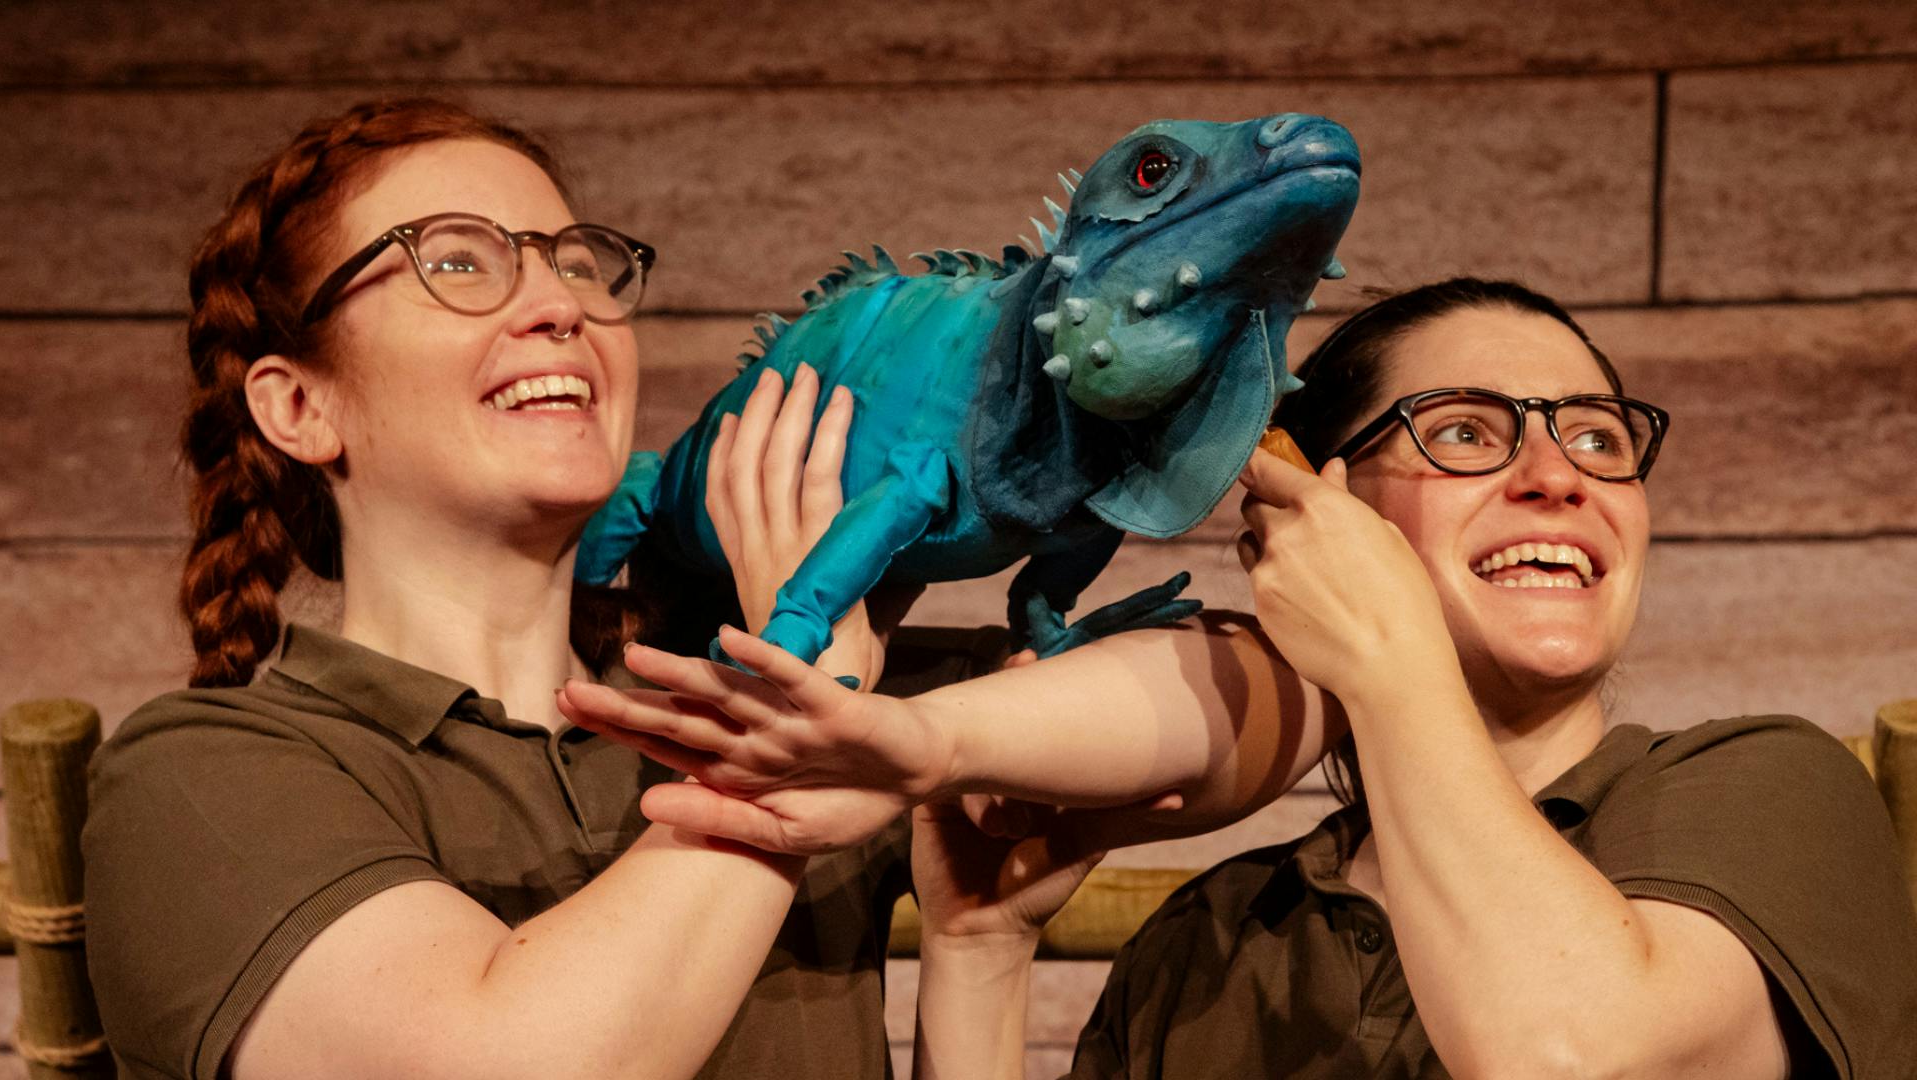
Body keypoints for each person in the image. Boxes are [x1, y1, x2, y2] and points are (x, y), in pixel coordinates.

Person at [561, 278, 1917, 1078]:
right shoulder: (1214, 946)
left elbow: (1567, 1050)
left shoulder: (1764, 795)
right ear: (1303, 506)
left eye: (1600, 438)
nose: (1557, 474)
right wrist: (980, 958)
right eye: (1465, 432)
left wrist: (1385, 664)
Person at [81, 97, 912, 1080]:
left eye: (576, 263)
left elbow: (1081, 717)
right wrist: (785, 736)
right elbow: (501, 1060)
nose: (561, 305)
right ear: (300, 405)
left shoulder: (743, 688)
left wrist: (980, 952)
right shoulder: (194, 780)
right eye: (458, 263)